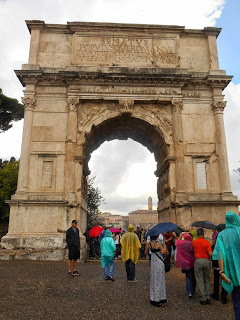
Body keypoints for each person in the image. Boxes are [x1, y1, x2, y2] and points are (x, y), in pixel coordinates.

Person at [213, 211, 240, 319]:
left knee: (237, 300)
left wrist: (222, 272)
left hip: (232, 272)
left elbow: (220, 254)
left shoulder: (222, 235)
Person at [192, 228, 212, 305]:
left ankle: (203, 298)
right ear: (203, 234)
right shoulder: (207, 242)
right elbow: (210, 254)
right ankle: (208, 297)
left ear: (197, 234)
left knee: (200, 280)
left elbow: (192, 251)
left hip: (198, 261)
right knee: (207, 279)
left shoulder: (194, 242)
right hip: (206, 261)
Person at [211, 224, 228, 304]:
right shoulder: (227, 239)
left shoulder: (218, 239)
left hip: (217, 263)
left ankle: (216, 295)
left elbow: (215, 252)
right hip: (225, 264)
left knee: (216, 279)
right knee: (224, 280)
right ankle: (224, 297)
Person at [149, 235, 167, 307]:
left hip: (153, 264)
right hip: (159, 263)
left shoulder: (150, 243)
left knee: (154, 281)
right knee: (160, 281)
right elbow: (164, 251)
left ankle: (153, 298)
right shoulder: (158, 243)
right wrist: (164, 243)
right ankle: (159, 299)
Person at [176, 233, 196, 298]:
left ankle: (189, 291)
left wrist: (181, 235)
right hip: (192, 262)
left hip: (184, 263)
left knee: (188, 277)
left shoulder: (181, 243)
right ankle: (193, 290)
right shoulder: (192, 244)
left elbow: (176, 242)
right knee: (193, 276)